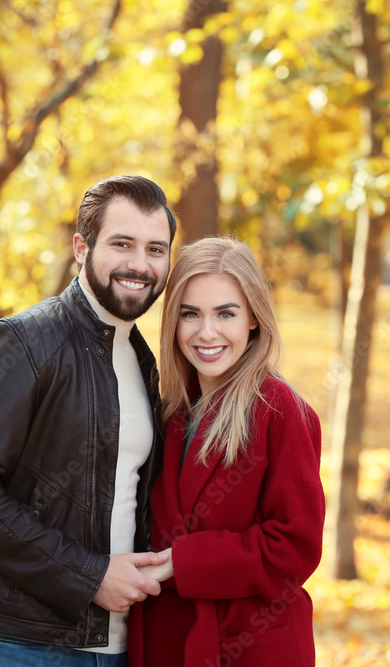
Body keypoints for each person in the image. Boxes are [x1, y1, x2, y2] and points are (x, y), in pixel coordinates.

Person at [0, 175, 177, 667]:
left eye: (156, 249)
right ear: (81, 248)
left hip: (124, 645)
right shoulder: (23, 343)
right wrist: (88, 575)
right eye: (122, 244)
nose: (139, 264)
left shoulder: (145, 360)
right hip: (23, 645)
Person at [129, 237, 326, 667]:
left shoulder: (280, 410)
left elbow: (295, 548)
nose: (206, 332)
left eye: (225, 313)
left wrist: (183, 564)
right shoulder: (171, 413)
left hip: (249, 645)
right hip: (168, 640)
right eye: (190, 314)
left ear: (253, 317)